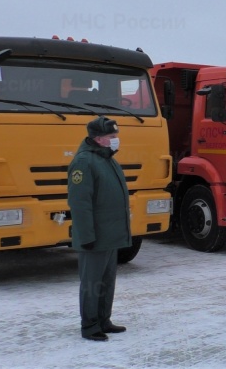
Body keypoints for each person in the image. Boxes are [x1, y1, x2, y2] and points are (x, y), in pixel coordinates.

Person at [68, 116, 130, 342]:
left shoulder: (108, 159)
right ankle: (90, 325)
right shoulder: (84, 162)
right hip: (95, 237)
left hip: (110, 236)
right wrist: (86, 236)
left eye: (116, 137)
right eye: (112, 137)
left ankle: (104, 319)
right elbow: (80, 203)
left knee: (106, 282)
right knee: (92, 284)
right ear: (98, 139)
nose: (116, 141)